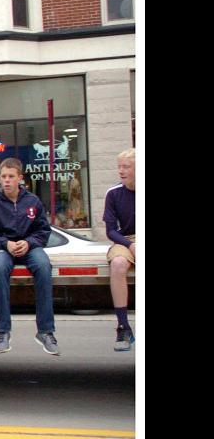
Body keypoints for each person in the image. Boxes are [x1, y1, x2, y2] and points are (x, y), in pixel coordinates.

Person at [0, 157, 59, 356]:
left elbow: (43, 231)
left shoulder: (32, 201)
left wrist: (29, 243)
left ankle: (46, 331)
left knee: (43, 265)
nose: (6, 180)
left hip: (29, 247)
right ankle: (3, 332)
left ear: (20, 178)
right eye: (3, 176)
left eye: (11, 176)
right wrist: (5, 244)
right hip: (3, 248)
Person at [104, 148, 136, 351]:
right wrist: (131, 246)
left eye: (127, 166)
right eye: (119, 167)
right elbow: (110, 231)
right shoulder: (113, 193)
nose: (121, 171)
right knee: (117, 264)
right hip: (125, 239)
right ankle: (123, 326)